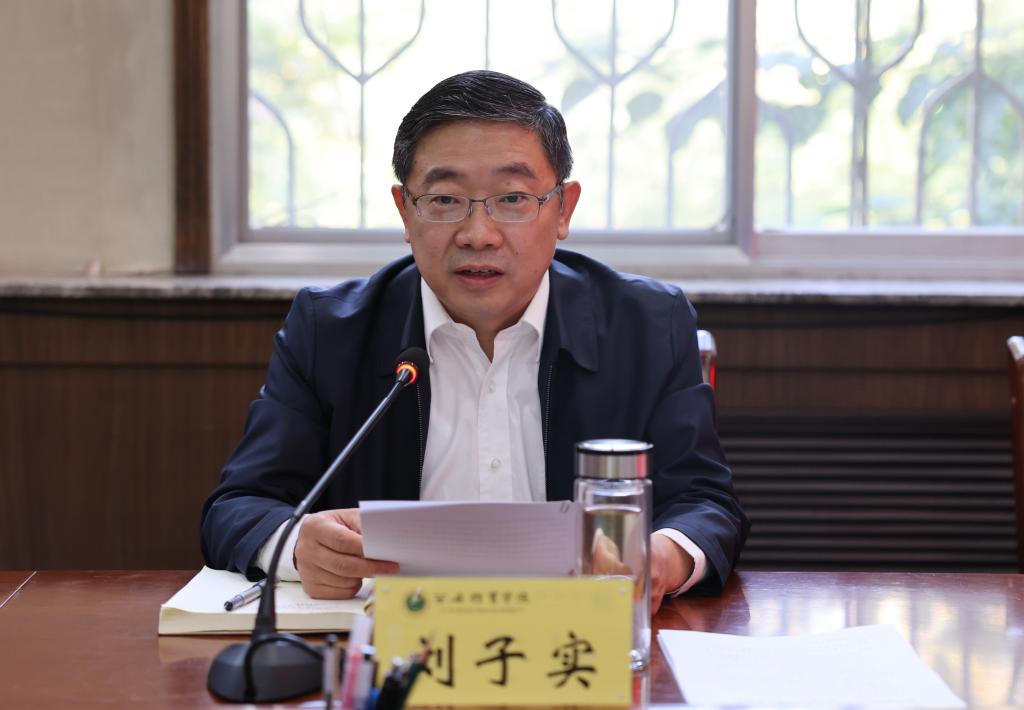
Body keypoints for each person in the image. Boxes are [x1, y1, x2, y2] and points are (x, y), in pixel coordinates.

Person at [201, 70, 748, 613]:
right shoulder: (331, 329)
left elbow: (704, 503)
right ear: (405, 211)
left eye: (512, 198)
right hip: (391, 644)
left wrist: (662, 556)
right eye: (444, 199)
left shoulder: (647, 324)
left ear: (563, 209)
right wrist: (299, 546)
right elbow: (239, 506)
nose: (478, 234)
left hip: (583, 640)